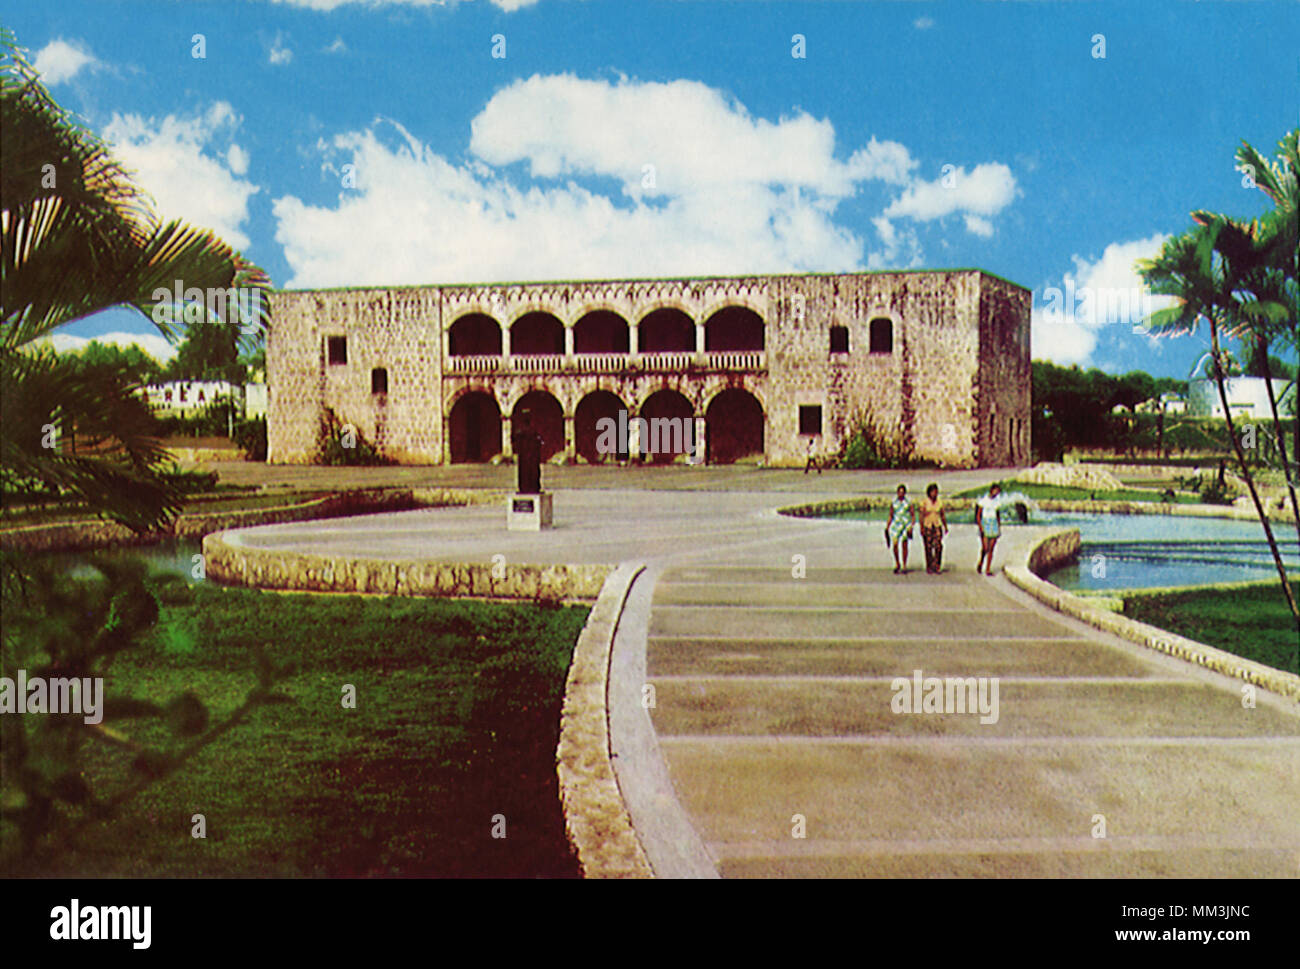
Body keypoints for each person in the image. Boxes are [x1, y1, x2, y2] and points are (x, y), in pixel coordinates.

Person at [917, 483, 948, 574]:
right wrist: (921, 527)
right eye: (933, 492)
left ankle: (937, 565)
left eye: (936, 492)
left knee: (938, 546)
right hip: (928, 526)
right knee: (928, 547)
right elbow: (921, 515)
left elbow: (942, 515)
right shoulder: (924, 502)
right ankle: (929, 566)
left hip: (937, 525)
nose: (935, 494)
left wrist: (945, 526)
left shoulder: (939, 502)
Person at [884, 483, 915, 574]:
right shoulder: (894, 503)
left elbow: (913, 515)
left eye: (902, 492)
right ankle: (897, 563)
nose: (901, 494)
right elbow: (891, 515)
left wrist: (911, 526)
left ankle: (904, 564)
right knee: (895, 544)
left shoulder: (908, 503)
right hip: (896, 524)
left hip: (905, 524)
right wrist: (887, 526)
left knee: (904, 544)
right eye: (899, 492)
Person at [974, 482, 1003, 576]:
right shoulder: (983, 500)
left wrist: (998, 526)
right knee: (985, 547)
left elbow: (998, 514)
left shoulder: (997, 502)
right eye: (995, 491)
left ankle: (988, 568)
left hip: (993, 523)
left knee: (991, 548)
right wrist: (980, 526)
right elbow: (978, 515)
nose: (996, 493)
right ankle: (981, 562)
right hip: (985, 523)